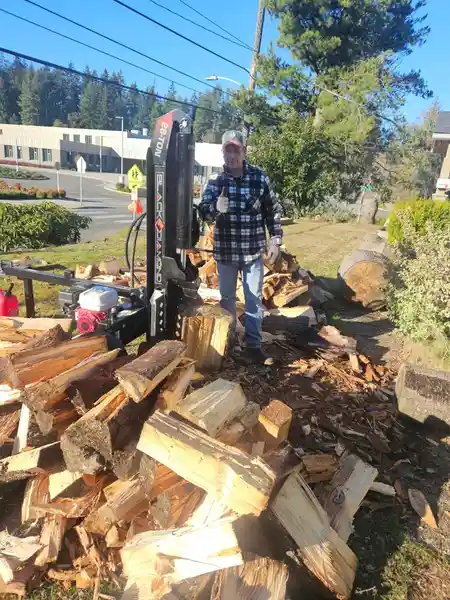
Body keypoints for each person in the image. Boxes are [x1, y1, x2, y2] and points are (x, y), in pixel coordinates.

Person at [197, 130, 282, 364]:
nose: (232, 155)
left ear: (244, 151)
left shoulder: (259, 177)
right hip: (225, 252)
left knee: (253, 298)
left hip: (252, 251)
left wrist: (275, 239)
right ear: (222, 152)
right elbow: (203, 212)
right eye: (228, 150)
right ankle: (229, 341)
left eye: (236, 149)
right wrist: (215, 207)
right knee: (226, 299)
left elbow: (272, 210)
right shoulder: (216, 180)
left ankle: (253, 346)